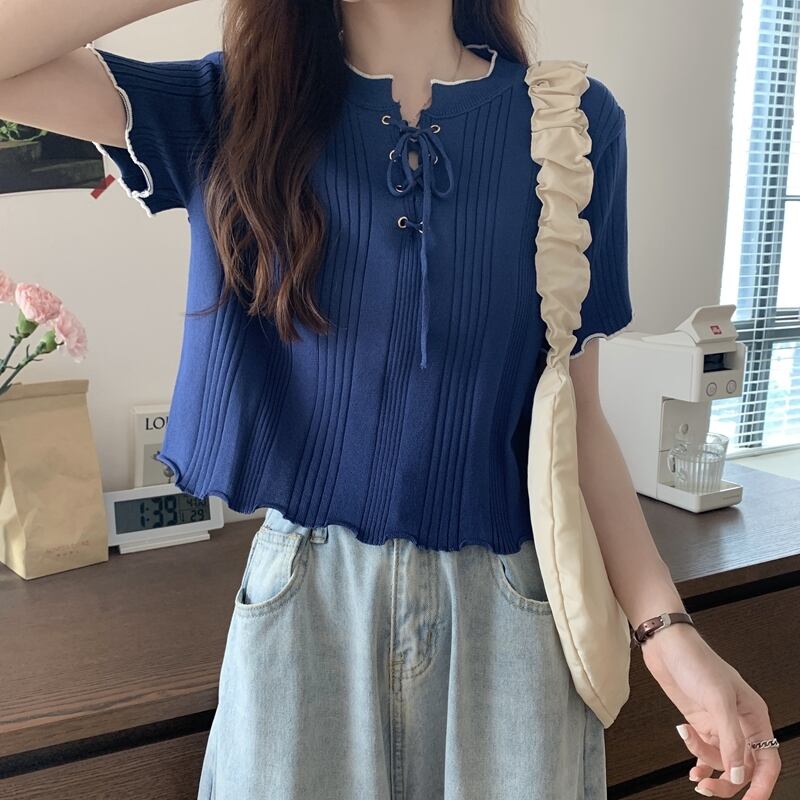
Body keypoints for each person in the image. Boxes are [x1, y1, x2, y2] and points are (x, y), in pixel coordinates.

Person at [0, 1, 782, 798]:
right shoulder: (235, 106)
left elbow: (575, 421)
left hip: (514, 613)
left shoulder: (570, 125)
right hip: (307, 607)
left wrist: (667, 632)